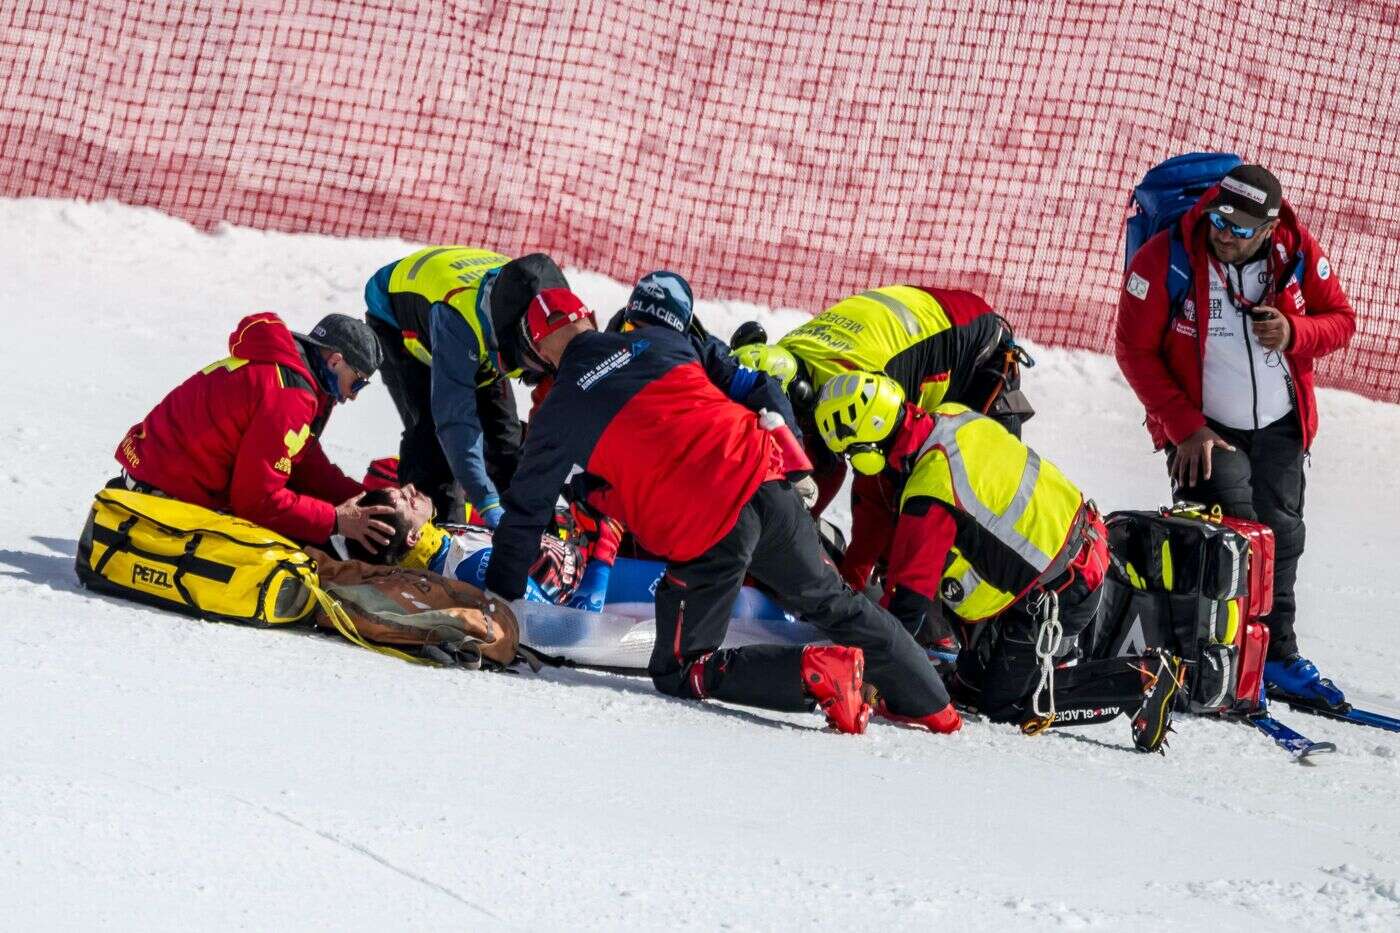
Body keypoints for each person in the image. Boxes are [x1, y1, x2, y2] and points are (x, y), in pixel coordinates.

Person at [482, 287, 960, 735]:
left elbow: (525, 513)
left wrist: (500, 605)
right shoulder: (662, 342)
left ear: (540, 350)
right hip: (766, 478)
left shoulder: (558, 410)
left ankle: (814, 672)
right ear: (589, 316)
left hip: (709, 525)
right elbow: (749, 381)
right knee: (834, 601)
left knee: (679, 669)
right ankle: (935, 706)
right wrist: (792, 453)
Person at [813, 372, 1182, 752]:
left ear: (868, 451)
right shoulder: (951, 417)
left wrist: (868, 672)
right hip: (1078, 547)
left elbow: (909, 605)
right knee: (967, 691)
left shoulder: (930, 490)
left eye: (853, 453)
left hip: (1062, 590)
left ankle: (1140, 681)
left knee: (1007, 707)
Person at [1115, 163, 1357, 707]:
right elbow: (1134, 350)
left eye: (1242, 229)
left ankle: (1278, 658)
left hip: (1279, 423)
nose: (1226, 234)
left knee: (1282, 540)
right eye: (1221, 220)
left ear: (1269, 228)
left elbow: (1341, 319)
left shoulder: (1294, 254)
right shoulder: (1166, 258)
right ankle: (1207, 664)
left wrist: (1297, 332)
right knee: (1227, 542)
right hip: (1205, 431)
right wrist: (1185, 428)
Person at [731, 285, 1034, 516]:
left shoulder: (866, 387)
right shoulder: (789, 356)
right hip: (927, 318)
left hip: (978, 354)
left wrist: (850, 574)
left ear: (802, 393)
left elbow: (866, 483)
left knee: (947, 496)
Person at [113, 312, 394, 551]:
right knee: (296, 551)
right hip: (163, 493)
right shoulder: (290, 394)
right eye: (357, 383)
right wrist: (335, 520)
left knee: (303, 515)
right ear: (335, 361)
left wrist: (360, 499)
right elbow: (257, 501)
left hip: (150, 471)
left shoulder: (283, 366)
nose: (353, 396)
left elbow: (303, 460)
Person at [364, 247, 566, 526]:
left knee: (505, 440)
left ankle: (533, 534)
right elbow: (455, 420)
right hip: (399, 321)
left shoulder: (557, 317)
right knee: (433, 443)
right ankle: (438, 534)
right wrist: (486, 501)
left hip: (483, 328)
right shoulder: (456, 317)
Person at [342, 483, 618, 611]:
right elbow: (568, 631)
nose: (413, 488)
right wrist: (605, 547)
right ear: (412, 537)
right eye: (405, 499)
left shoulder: (443, 542)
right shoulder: (471, 566)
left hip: (582, 556)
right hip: (604, 583)